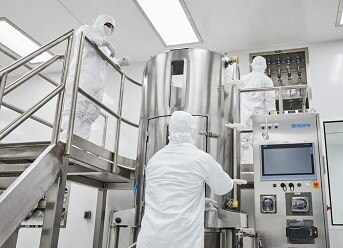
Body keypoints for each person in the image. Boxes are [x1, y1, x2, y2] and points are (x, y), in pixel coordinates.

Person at [136, 111, 246, 248]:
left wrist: (198, 200)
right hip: (181, 241)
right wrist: (231, 181)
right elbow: (223, 187)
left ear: (170, 129)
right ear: (191, 130)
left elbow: (165, 194)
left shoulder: (154, 160)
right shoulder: (200, 158)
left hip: (149, 240)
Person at [61, 14, 130, 140]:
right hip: (82, 78)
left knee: (89, 114)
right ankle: (66, 142)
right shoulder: (86, 29)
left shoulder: (105, 49)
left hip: (97, 85)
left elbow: (108, 63)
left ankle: (80, 145)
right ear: (100, 23)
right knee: (76, 110)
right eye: (108, 25)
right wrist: (106, 43)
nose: (110, 29)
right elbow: (85, 38)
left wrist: (120, 62)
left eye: (112, 27)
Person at [240, 56, 276, 151]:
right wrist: (274, 116)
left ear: (253, 65)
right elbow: (270, 100)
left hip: (244, 115)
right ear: (264, 66)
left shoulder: (244, 78)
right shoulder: (266, 80)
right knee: (258, 143)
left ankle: (244, 165)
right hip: (259, 117)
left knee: (243, 143)